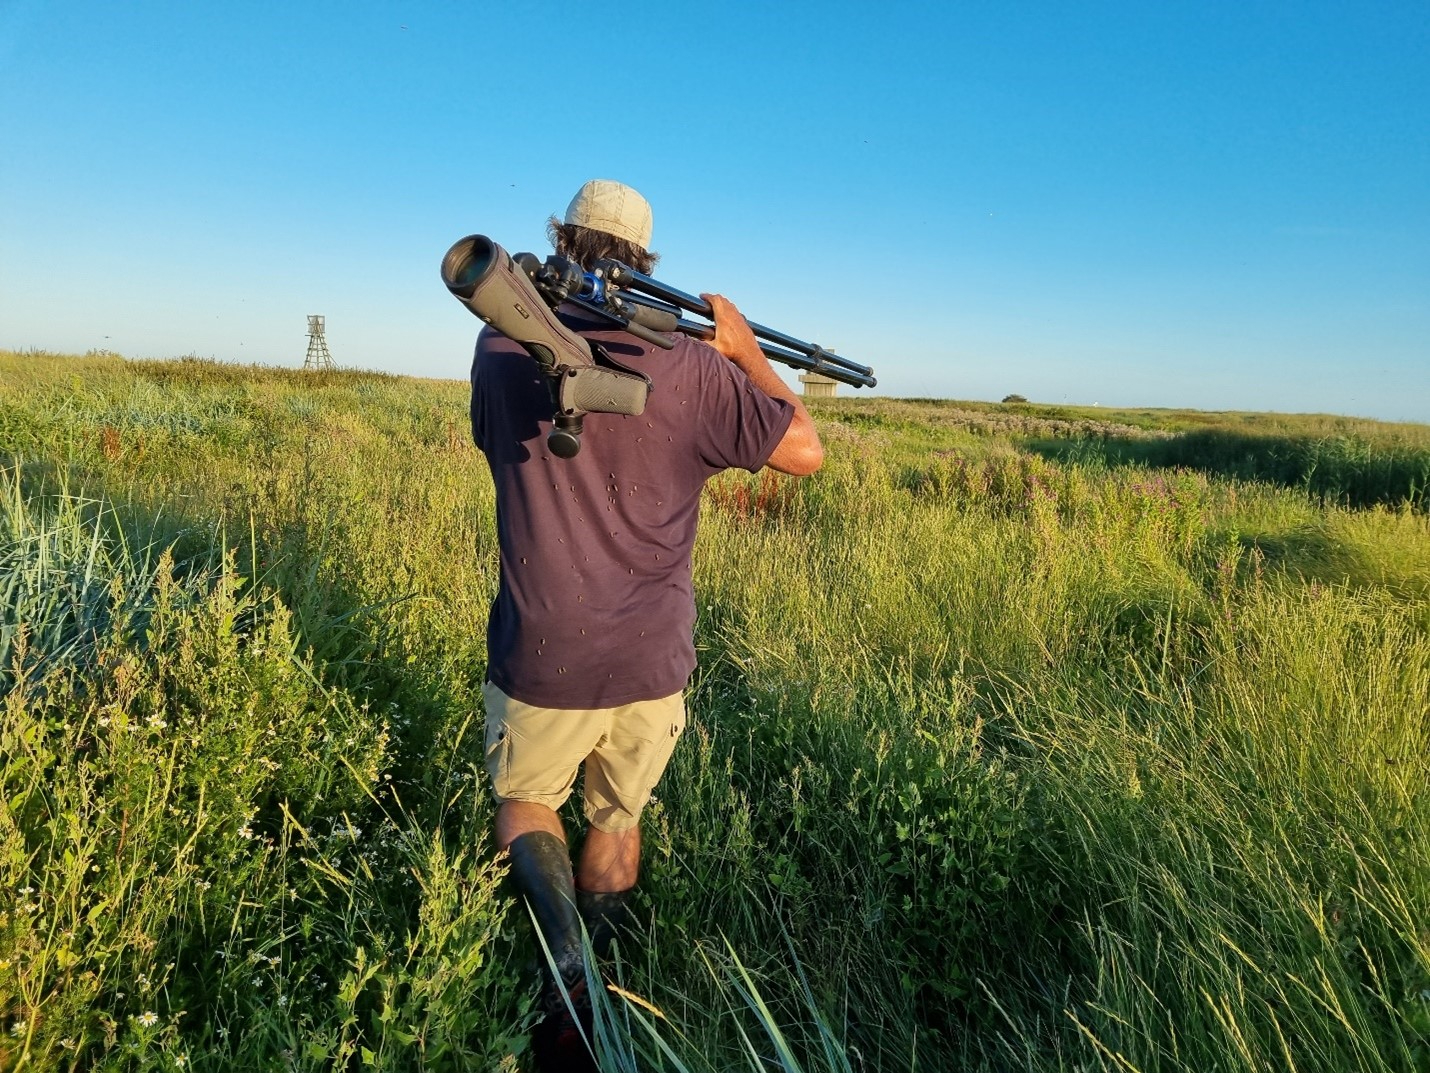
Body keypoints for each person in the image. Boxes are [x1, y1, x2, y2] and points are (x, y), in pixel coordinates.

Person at [468, 179, 823, 1071]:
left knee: (526, 801)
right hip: (653, 656)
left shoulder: (498, 346)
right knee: (617, 817)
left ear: (562, 238)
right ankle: (607, 982)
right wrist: (744, 353)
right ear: (646, 260)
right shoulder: (695, 368)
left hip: (542, 647)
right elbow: (807, 452)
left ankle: (566, 972)